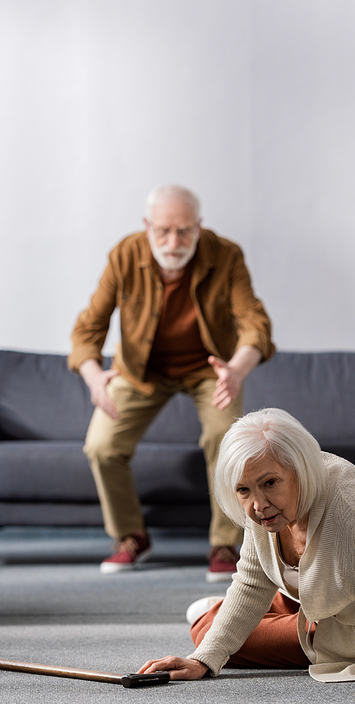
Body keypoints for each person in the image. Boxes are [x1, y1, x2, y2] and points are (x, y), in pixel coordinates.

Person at [139, 408, 355, 704]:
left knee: (204, 627)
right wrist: (203, 661)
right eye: (243, 490)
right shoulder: (263, 508)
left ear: (302, 469)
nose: (258, 505)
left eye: (270, 483)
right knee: (211, 641)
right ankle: (258, 608)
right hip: (321, 595)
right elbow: (253, 582)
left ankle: (227, 611)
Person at [68, 185, 275, 579]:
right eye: (163, 230)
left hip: (209, 370)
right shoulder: (125, 255)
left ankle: (225, 543)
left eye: (184, 231)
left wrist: (237, 368)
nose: (173, 241)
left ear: (199, 226)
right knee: (101, 445)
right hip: (138, 371)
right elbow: (88, 327)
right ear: (147, 226)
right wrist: (95, 377)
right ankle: (131, 536)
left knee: (226, 439)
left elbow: (255, 323)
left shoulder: (225, 255)